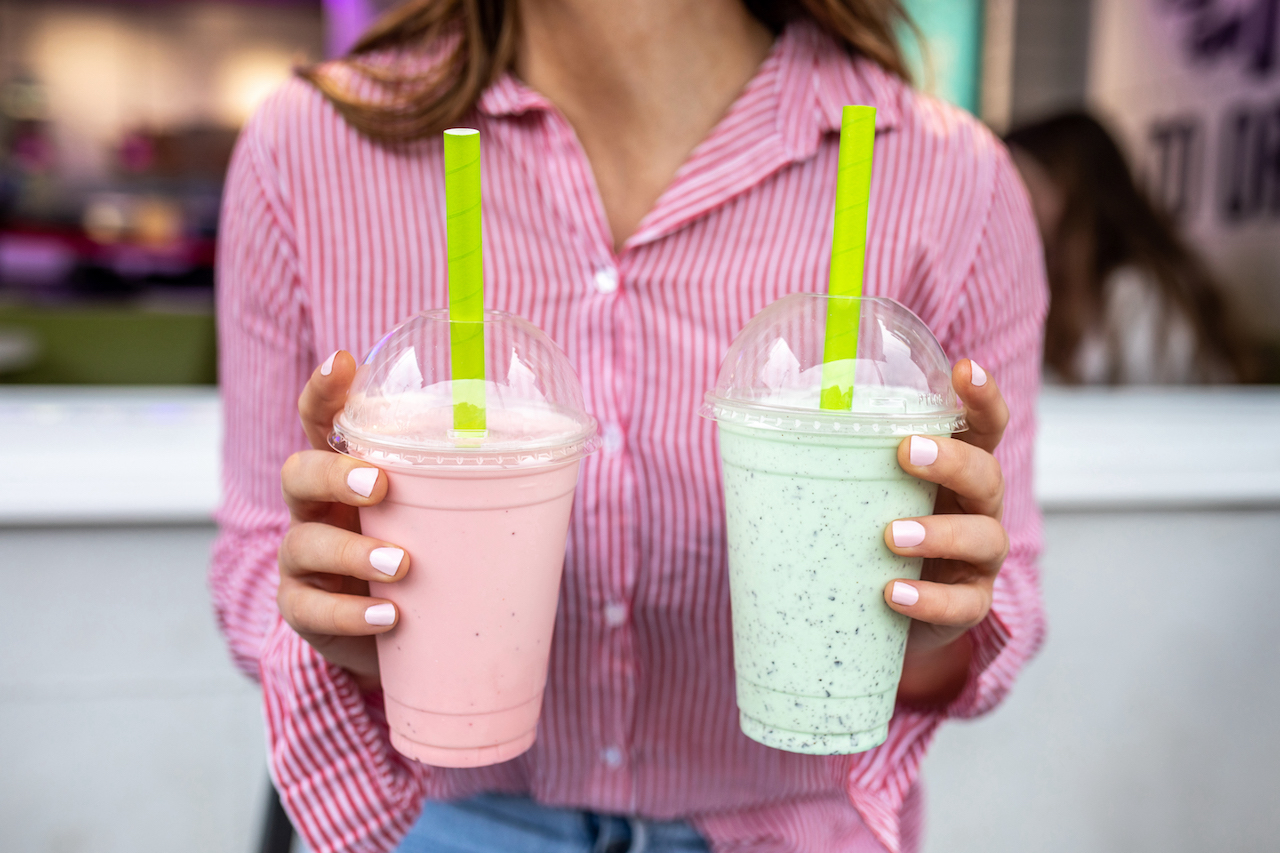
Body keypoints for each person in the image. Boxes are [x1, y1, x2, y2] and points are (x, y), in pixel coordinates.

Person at [211, 1, 1048, 851]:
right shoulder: (306, 148)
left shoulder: (953, 177)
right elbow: (252, 567)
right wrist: (352, 626)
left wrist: (923, 625)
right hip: (440, 823)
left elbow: (1001, 608)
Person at [1005, 111, 1253, 385]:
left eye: (1019, 184)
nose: (1002, 204)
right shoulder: (1066, 289)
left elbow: (1144, 407)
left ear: (1065, 186)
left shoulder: (1138, 293)